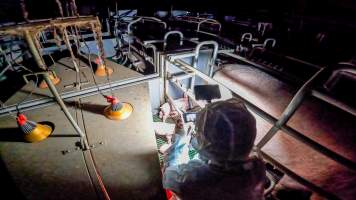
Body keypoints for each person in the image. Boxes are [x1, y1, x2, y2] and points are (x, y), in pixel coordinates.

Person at [162, 98, 266, 200]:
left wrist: (181, 137)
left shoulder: (194, 180)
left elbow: (168, 175)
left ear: (211, 146)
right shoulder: (257, 167)